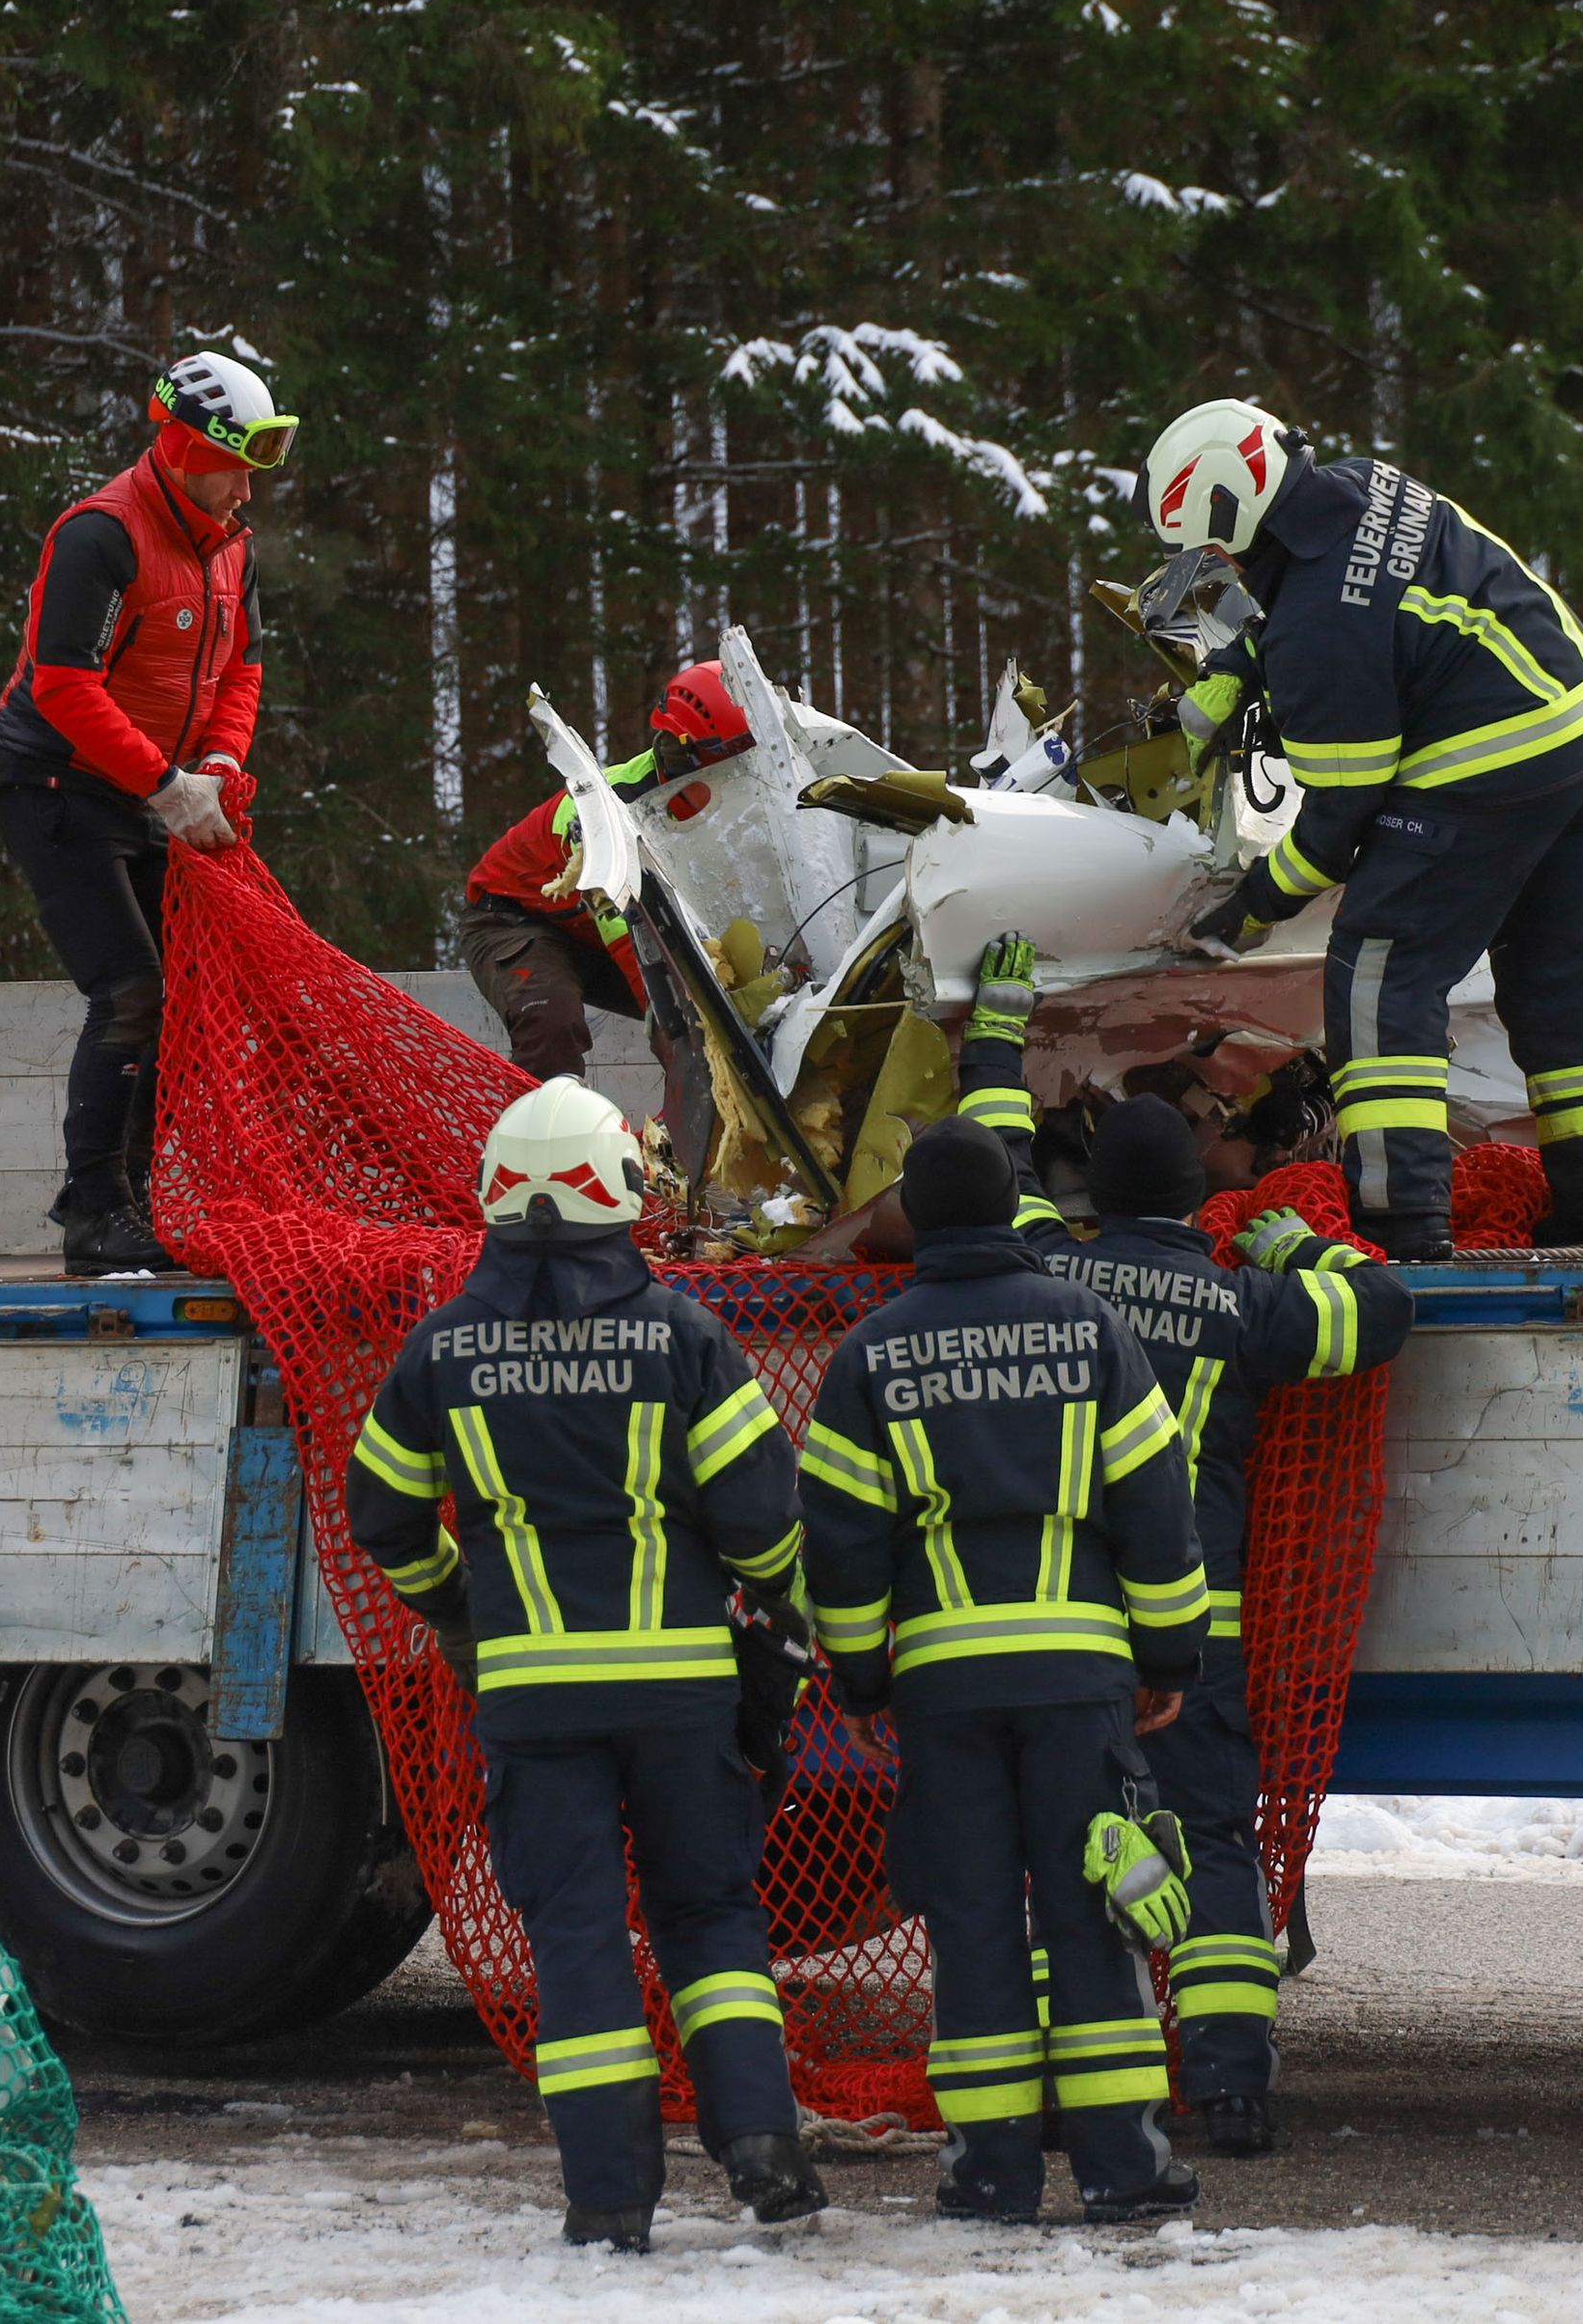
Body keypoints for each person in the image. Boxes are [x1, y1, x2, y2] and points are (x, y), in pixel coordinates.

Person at [341, 1076, 824, 2253]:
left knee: (575, 1935)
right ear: (619, 1190)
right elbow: (764, 1523)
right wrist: (794, 1628)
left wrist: (460, 1608)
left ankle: (609, 2198)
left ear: (499, 1197)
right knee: (709, 1919)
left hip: (532, 1694)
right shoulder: (683, 1333)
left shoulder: (443, 1346)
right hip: (682, 1692)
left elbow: (382, 1514)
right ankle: (762, 2148)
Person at [953, 934, 1416, 2154]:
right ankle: (1231, 2087)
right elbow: (1382, 1313)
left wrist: (1000, 1026)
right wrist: (1286, 1242)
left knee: (1069, 1849)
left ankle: (1071, 2090)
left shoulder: (1047, 1268)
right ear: (1191, 1199)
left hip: (1072, 1633)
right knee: (1209, 1850)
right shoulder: (1243, 1302)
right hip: (1201, 1633)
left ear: (1097, 1193)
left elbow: (993, 1165)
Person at [797, 1118, 1210, 2225]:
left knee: (974, 1926)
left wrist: (860, 1678)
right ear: (1013, 1207)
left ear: (922, 1221)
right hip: (1080, 1681)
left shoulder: (870, 1351)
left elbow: (837, 1542)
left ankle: (989, 2173)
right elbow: (1154, 1506)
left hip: (944, 1689)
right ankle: (1124, 2170)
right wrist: (1167, 1655)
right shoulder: (1094, 1330)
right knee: (1096, 1917)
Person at [1146, 398, 1583, 1261]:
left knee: (1379, 972)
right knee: (1563, 990)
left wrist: (1259, 900)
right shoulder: (1365, 486)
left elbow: (1342, 816)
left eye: (1216, 548)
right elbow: (1355, 593)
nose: (1220, 564)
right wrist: (1243, 660)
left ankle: (1400, 1224)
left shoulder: (1316, 630)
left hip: (1490, 768)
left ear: (1232, 513)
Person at [0, 351, 292, 1275]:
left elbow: (242, 667)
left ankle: (135, 1199)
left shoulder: (229, 542)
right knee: (130, 990)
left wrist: (220, 761)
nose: (246, 489)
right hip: (55, 783)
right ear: (185, 447)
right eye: (234, 465)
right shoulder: (100, 536)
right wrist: (164, 783)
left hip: (153, 785)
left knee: (187, 998)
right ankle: (96, 1219)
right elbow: (64, 684)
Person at [461, 663, 758, 1081]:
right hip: (515, 920)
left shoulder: (732, 798)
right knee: (553, 1023)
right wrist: (678, 1034)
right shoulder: (600, 814)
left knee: (740, 1011)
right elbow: (623, 927)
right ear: (687, 758)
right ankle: (541, 1137)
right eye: (726, 766)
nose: (737, 780)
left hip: (601, 933)